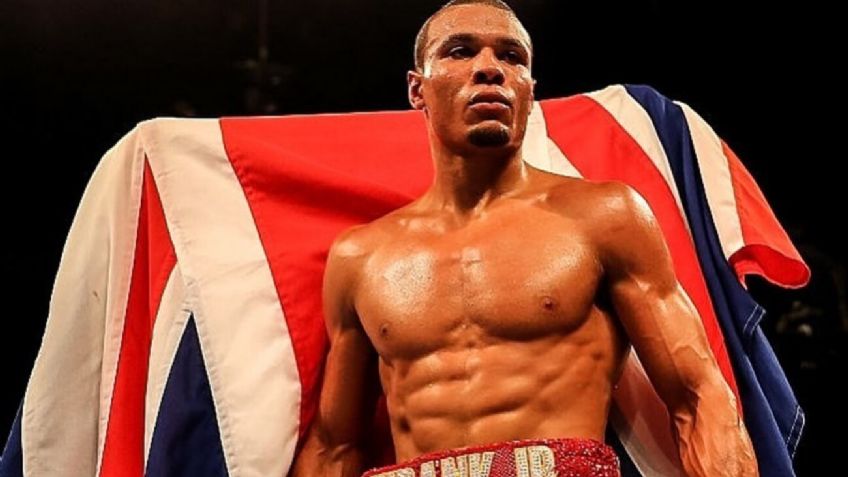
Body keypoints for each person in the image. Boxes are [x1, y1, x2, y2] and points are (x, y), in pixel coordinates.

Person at [291, 1, 758, 475]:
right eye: (460, 51)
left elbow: (699, 397)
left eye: (511, 56)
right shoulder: (361, 257)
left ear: (529, 92)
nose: (489, 68)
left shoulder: (603, 216)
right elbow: (334, 446)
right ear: (417, 89)